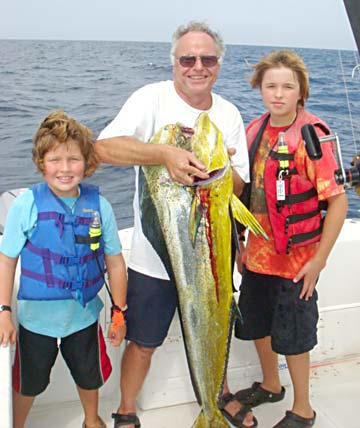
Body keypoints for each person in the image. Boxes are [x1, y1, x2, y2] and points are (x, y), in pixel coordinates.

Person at [95, 21, 256, 428]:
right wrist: (164, 153)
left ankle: (216, 399)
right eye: (188, 58)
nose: (197, 67)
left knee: (214, 327)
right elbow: (103, 148)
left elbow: (239, 185)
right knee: (142, 341)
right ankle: (127, 408)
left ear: (219, 64)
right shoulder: (151, 98)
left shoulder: (229, 112)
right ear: (175, 63)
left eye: (207, 59)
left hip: (212, 258)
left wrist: (219, 170)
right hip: (155, 256)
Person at [229, 50, 348, 428]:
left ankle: (303, 409)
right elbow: (240, 196)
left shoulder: (314, 135)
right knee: (256, 325)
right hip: (257, 258)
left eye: (287, 86)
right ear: (259, 89)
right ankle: (270, 384)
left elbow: (338, 201)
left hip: (298, 264)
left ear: (301, 92)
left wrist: (319, 261)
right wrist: (239, 245)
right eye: (270, 86)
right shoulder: (251, 131)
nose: (278, 94)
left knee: (295, 337)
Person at [0, 110, 128, 428]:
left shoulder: (101, 206)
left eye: (73, 159)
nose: (65, 169)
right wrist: (4, 310)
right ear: (41, 162)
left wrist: (119, 312)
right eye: (55, 159)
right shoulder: (26, 205)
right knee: (27, 383)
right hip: (35, 323)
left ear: (87, 162)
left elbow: (115, 261)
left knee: (90, 376)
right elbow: (7, 258)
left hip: (84, 317)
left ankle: (91, 420)